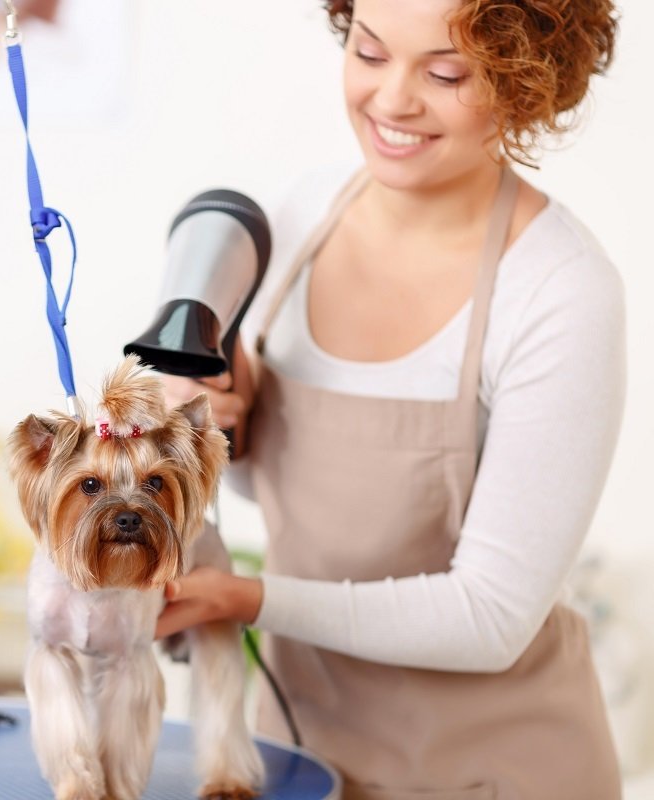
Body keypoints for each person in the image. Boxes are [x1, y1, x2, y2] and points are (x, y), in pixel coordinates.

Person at [154, 0, 625, 797]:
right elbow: (291, 500)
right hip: (296, 749)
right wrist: (226, 426)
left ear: (523, 79)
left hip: (492, 768)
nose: (393, 100)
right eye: (369, 54)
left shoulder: (559, 292)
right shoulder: (301, 217)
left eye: (445, 73)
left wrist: (244, 598)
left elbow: (490, 617)